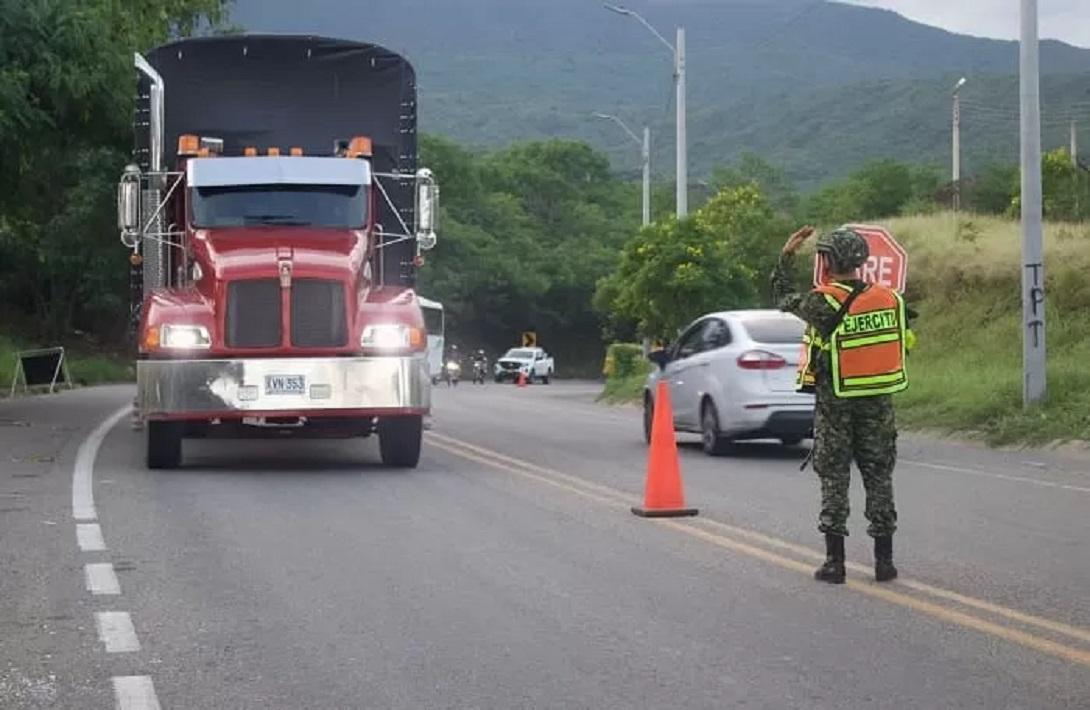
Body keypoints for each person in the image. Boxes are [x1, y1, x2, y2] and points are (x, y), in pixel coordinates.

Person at [771, 226, 912, 584]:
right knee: (879, 477)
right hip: (879, 400)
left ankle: (835, 563)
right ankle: (885, 562)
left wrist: (787, 256)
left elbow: (784, 297)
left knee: (834, 477)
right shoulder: (889, 299)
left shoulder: (825, 301)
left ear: (831, 261)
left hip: (837, 402)